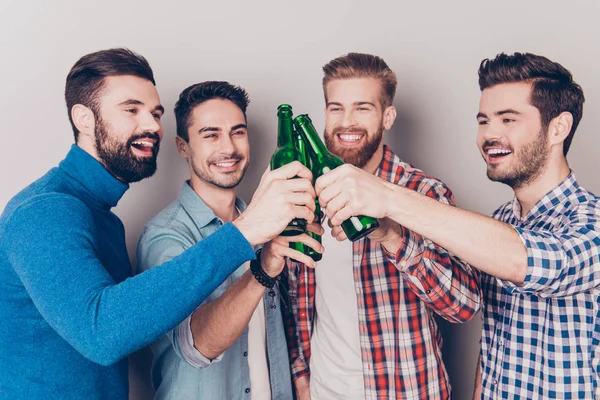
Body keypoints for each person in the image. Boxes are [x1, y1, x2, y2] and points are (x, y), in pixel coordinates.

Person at [0, 48, 316, 399]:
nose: (152, 126)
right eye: (132, 110)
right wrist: (244, 232)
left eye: (155, 113)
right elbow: (102, 333)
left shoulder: (102, 217)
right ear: (84, 119)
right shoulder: (45, 210)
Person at [316, 52, 599, 398]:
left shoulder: (591, 220)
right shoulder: (502, 220)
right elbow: (495, 343)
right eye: (484, 121)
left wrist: (389, 199)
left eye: (508, 120)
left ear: (559, 127)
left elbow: (528, 261)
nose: (490, 134)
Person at [284, 52, 482, 400]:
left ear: (387, 116)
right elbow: (298, 300)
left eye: (362, 108)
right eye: (336, 108)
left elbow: (463, 305)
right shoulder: (306, 194)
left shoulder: (423, 192)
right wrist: (302, 376)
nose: (347, 122)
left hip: (404, 390)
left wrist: (391, 234)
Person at [137, 81, 322, 399]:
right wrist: (262, 269)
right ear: (183, 146)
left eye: (238, 132)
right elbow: (198, 346)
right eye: (211, 135)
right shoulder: (165, 236)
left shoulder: (273, 223)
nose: (229, 148)